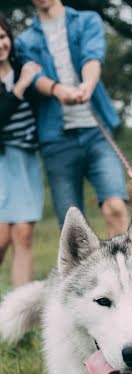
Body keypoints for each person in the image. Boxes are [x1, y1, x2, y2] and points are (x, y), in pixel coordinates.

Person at [16, 0, 129, 236]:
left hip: (97, 132)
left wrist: (87, 85)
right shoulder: (24, 41)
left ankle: (122, 270)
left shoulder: (88, 20)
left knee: (115, 207)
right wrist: (58, 90)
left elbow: (92, 57)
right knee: (72, 229)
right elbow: (35, 77)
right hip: (56, 140)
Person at [0, 15, 44, 288]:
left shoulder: (25, 68)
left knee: (24, 234)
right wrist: (19, 87)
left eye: (2, 37)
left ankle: (18, 316)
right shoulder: (22, 79)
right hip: (1, 163)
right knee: (2, 238)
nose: (0, 45)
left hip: (26, 159)